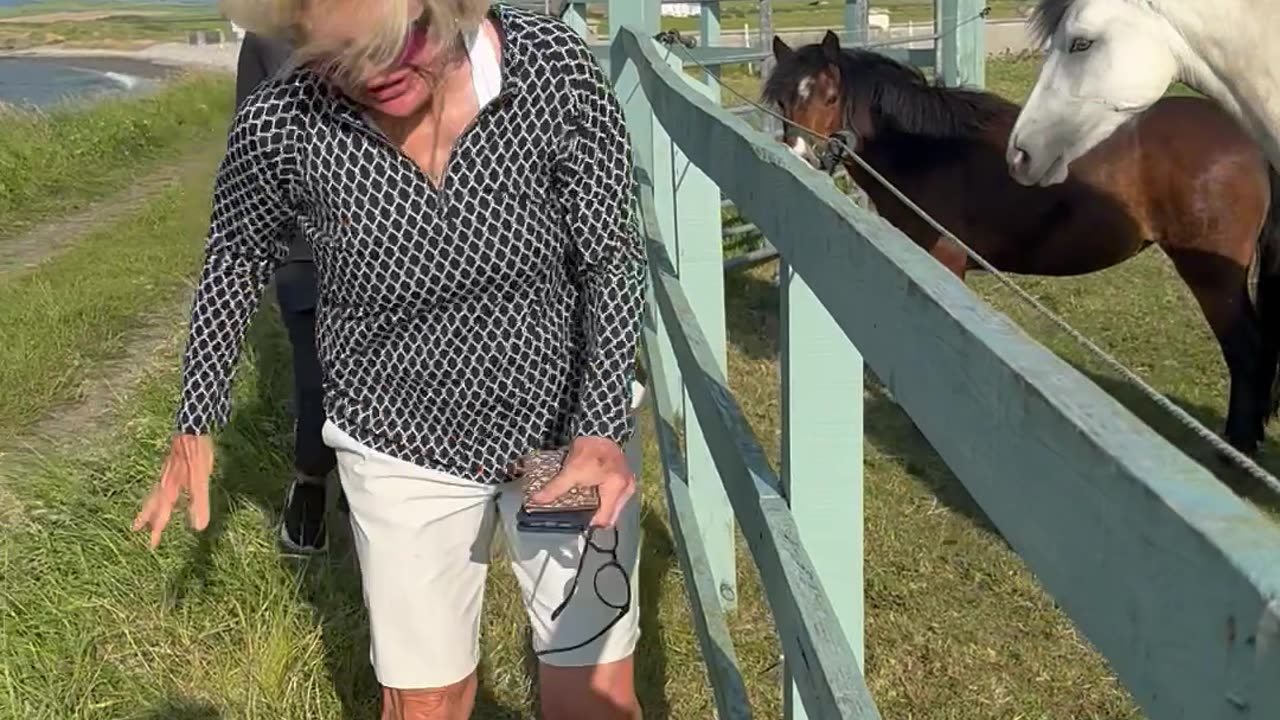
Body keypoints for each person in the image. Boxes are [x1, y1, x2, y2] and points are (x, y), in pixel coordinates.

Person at [132, 1, 647, 718]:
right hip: (401, 443)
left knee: (587, 691)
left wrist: (598, 428)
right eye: (344, 57)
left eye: (401, 43)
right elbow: (235, 255)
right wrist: (196, 418)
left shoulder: (549, 67)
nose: (377, 74)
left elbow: (608, 257)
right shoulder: (282, 122)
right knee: (426, 699)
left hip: (559, 441)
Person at [234, 29, 341, 554]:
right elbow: (249, 153)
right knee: (315, 378)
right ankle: (311, 490)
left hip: (388, 237)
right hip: (303, 246)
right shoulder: (264, 38)